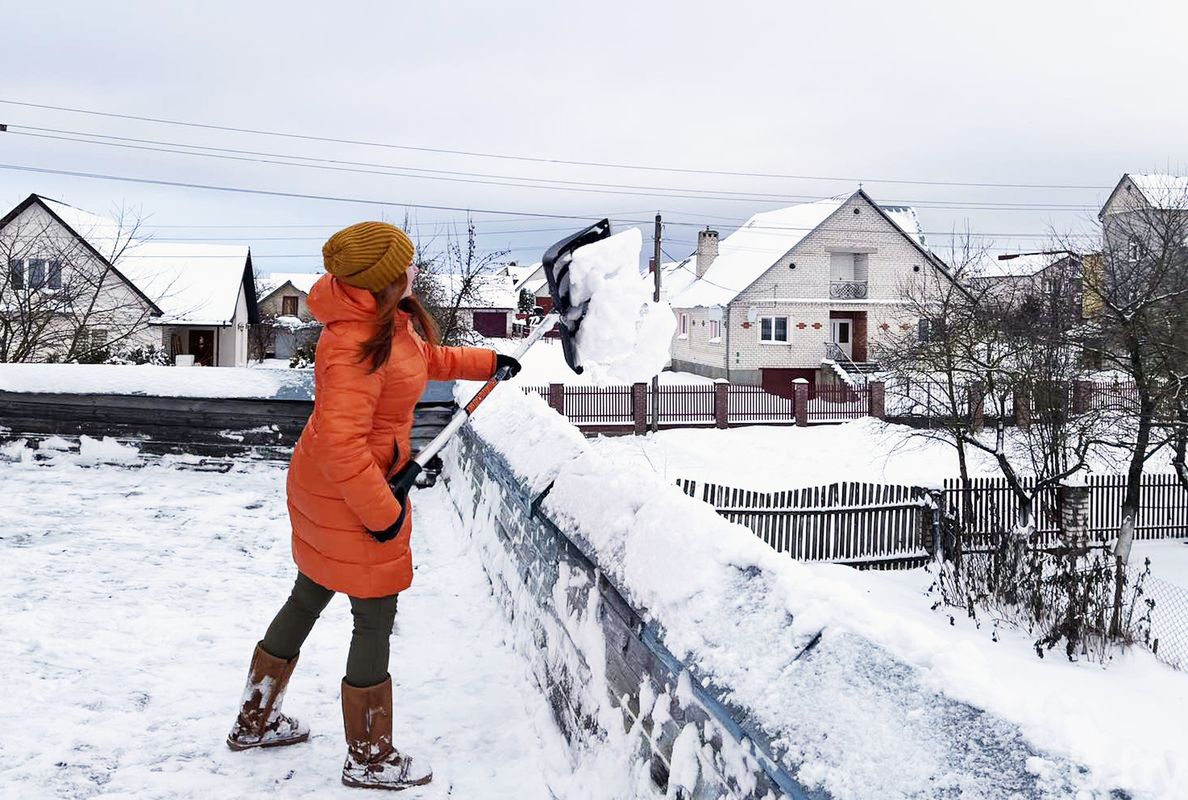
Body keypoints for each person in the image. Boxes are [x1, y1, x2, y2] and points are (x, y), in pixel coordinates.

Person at [225, 222, 520, 791]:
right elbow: (343, 443)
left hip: (333, 486)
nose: (414, 271)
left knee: (308, 592)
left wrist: (486, 362)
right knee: (373, 616)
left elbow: (420, 360)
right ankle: (369, 757)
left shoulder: (378, 321)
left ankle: (254, 721)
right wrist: (383, 513)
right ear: (384, 279)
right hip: (351, 493)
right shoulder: (355, 343)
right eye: (406, 265)